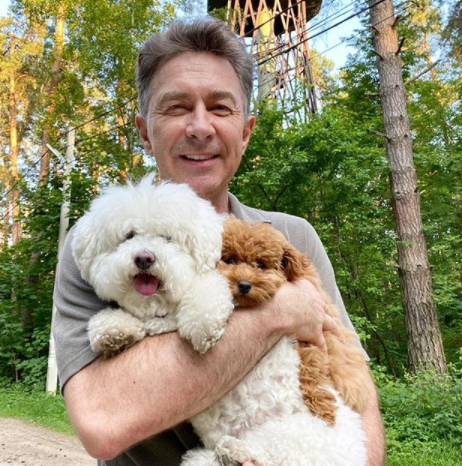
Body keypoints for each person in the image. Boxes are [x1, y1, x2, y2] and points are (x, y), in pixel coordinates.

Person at [53, 17, 385, 466]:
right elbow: (102, 423)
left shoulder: (292, 237)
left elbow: (356, 396)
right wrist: (282, 311)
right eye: (176, 107)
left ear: (245, 132)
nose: (200, 127)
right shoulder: (100, 243)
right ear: (145, 132)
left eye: (220, 107)